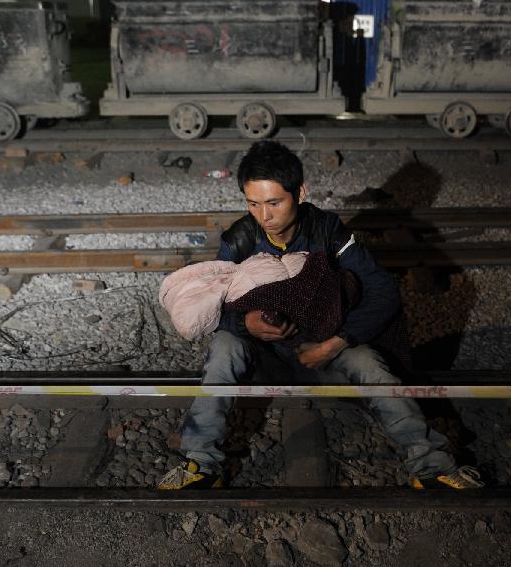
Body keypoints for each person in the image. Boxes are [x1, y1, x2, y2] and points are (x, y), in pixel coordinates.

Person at [157, 140, 483, 490]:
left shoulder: (326, 230)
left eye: (274, 203)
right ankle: (201, 465)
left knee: (369, 364)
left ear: (300, 192)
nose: (264, 216)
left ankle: (431, 467)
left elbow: (382, 290)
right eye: (253, 203)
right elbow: (217, 305)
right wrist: (245, 323)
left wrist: (334, 344)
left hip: (326, 351)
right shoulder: (240, 239)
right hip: (268, 358)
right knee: (223, 346)